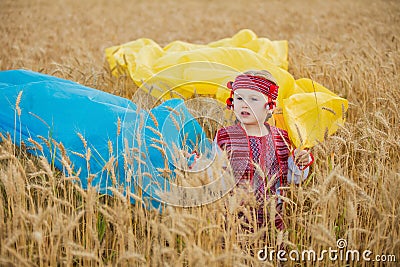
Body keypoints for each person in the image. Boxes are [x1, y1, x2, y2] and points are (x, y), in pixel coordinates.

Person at [215, 70, 314, 231]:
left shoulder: (281, 138)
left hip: (271, 220)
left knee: (269, 253)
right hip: (234, 219)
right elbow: (217, 176)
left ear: (270, 107)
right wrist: (199, 166)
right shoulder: (224, 136)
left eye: (253, 99)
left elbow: (292, 178)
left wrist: (299, 162)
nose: (244, 104)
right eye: (239, 98)